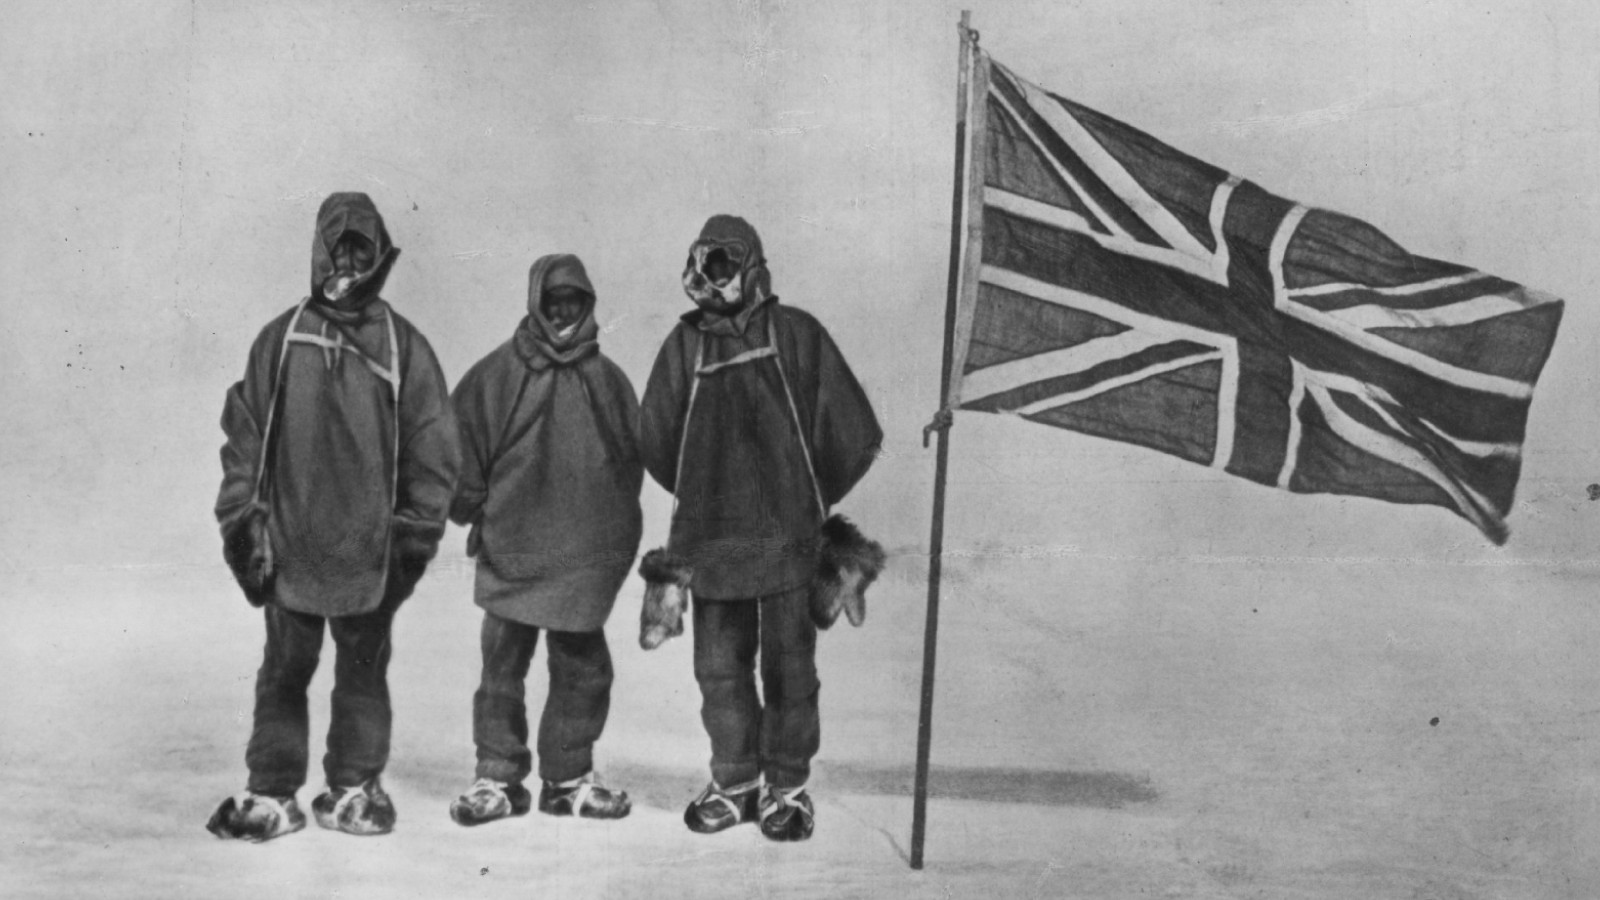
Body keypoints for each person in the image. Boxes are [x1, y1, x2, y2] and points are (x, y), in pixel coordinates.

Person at [206, 192, 460, 842]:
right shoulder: (281, 338)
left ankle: (353, 787)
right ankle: (271, 792)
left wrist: (413, 537)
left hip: (369, 555)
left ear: (378, 257)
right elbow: (245, 434)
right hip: (291, 548)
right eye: (337, 249)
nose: (346, 263)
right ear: (319, 251)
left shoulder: (404, 347)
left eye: (360, 250)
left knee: (363, 675)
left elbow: (434, 449)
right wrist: (243, 520)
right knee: (283, 675)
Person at [638, 215, 883, 841]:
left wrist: (804, 495)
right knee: (719, 669)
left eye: (728, 262)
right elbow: (656, 438)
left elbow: (853, 431)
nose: (716, 276)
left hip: (787, 543)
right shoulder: (684, 345)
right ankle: (735, 782)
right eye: (707, 262)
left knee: (789, 668)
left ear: (752, 267)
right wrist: (703, 494)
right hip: (711, 542)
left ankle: (787, 788)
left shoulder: (796, 334)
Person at [446, 254, 642, 826]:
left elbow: (631, 460)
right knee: (502, 669)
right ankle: (497, 776)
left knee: (583, 668)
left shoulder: (607, 380)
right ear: (536, 301)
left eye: (573, 301)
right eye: (553, 300)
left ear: (588, 304)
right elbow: (459, 450)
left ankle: (569, 776)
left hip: (582, 558)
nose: (562, 310)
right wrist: (477, 511)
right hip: (513, 551)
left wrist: (608, 529)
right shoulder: (497, 373)